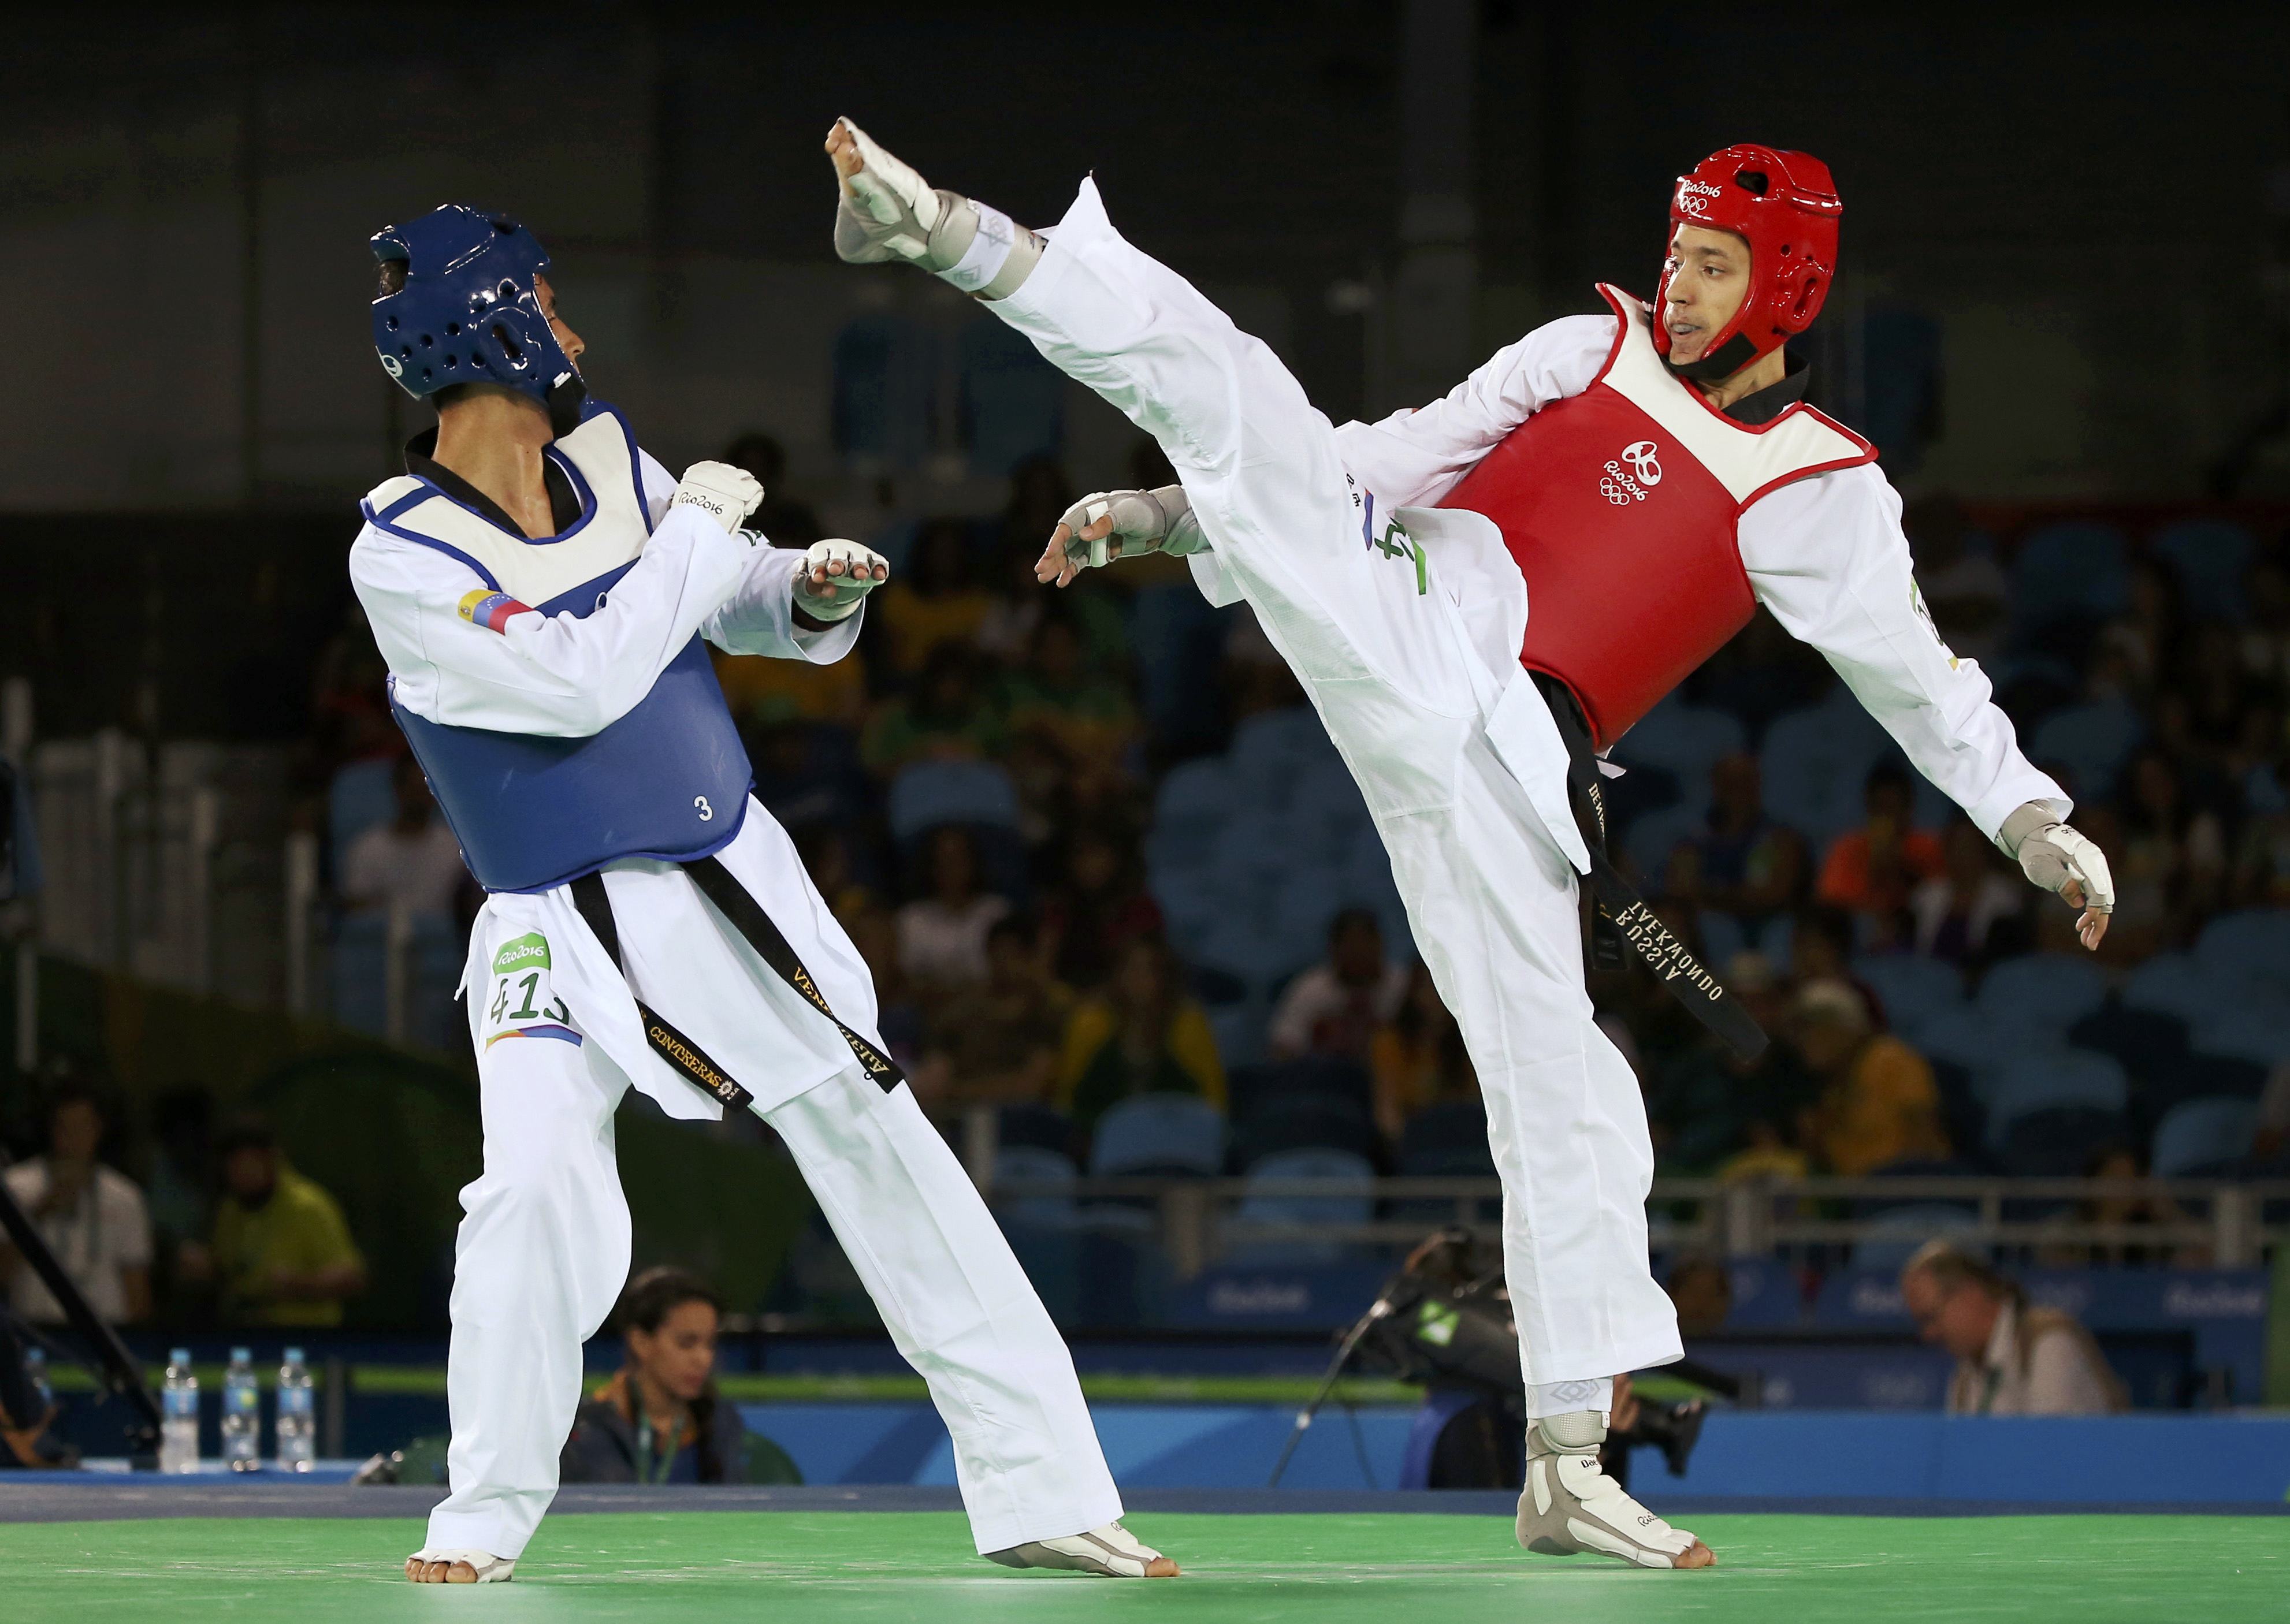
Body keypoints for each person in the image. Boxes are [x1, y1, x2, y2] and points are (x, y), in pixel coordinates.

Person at [826, 122, 2116, 1569]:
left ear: (1788, 285)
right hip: (1412, 620)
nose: (1677, 287)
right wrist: (1169, 516)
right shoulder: (1585, 348)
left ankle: (1567, 1459)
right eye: (1675, 255)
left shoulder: (1818, 484)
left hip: (1510, 779)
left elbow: (1915, 672)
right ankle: (940, 229)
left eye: (1711, 263)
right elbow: (1369, 463)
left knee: (1569, 1095)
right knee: (1240, 387)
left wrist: (2031, 813)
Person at [355, 206, 1169, 1583]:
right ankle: (484, 1508)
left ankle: (1039, 1485)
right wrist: (699, 532)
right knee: (529, 1192)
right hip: (547, 922)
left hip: (707, 878)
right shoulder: (404, 552)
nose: (575, 332)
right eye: (549, 307)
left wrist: (801, 587)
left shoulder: (612, 459)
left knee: (871, 1129)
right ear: (486, 324)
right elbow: (577, 674)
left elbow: (721, 594)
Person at [560, 1267, 798, 1486]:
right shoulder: (584, 1432)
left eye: (710, 1345)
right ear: (641, 1342)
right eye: (687, 1343)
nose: (703, 1359)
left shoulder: (722, 1425)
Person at [1899, 1241, 2125, 1415]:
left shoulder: (2048, 1341)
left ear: (1970, 1294)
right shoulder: (1964, 1378)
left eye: (1930, 1317)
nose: (1929, 1334)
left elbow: (2056, 1454)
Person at [187, 1112, 366, 1328]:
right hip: (245, 1334)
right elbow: (230, 1270)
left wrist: (301, 1285)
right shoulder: (231, 1208)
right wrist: (207, 1268)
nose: (241, 1177)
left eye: (248, 1166)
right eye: (233, 1169)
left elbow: (352, 1277)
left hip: (305, 1336)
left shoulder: (308, 1205)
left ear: (272, 1159)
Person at [0, 1081, 151, 1325]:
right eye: (64, 1128)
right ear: (50, 1130)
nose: (73, 1139)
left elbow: (136, 1286)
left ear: (99, 1130)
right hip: (37, 1331)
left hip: (108, 1331)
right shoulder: (15, 1187)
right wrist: (38, 1213)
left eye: (83, 1127)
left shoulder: (125, 1196)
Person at [1057, 936, 1226, 1135]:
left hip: (1175, 1137)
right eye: (1131, 969)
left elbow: (1211, 1100)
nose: (1138, 980)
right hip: (1102, 1142)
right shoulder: (1091, 1023)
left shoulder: (1188, 1024)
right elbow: (1068, 1101)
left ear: (1164, 977)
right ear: (1117, 973)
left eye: (1148, 971)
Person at [1790, 979, 1950, 1175]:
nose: (1807, 1040)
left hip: (1903, 1189)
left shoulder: (1891, 1060)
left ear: (1848, 1029)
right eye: (1803, 1031)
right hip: (1854, 1197)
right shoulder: (1827, 1088)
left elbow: (1927, 1140)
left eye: (1819, 1029)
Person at [925, 915, 1072, 1108]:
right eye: (998, 955)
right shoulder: (960, 1013)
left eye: (1014, 956)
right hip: (959, 1117)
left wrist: (957, 1092)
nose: (1006, 965)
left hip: (1024, 1118)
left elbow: (1033, 1085)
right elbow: (936, 1073)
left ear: (1032, 958)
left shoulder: (1048, 1013)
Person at [1814, 762, 1944, 934]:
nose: (1887, 818)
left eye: (1894, 808)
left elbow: (1943, 904)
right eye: (1881, 808)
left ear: (1909, 808)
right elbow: (1832, 911)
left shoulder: (1929, 848)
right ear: (1869, 807)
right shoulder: (1846, 849)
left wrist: (1898, 867)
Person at [1266, 908, 1409, 1064]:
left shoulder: (1403, 985)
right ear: (1334, 949)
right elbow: (1282, 1047)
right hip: (1325, 1080)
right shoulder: (1311, 989)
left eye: (1366, 944)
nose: (1359, 954)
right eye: (1351, 946)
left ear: (1380, 944)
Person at [339, 754, 469, 922]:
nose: (419, 798)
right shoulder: (368, 848)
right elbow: (355, 907)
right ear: (398, 789)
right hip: (382, 940)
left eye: (425, 790)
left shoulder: (456, 849)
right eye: (413, 790)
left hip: (441, 942)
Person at [895, 825, 1010, 994]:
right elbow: (906, 981)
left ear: (974, 862)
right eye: (943, 861)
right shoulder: (912, 919)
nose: (951, 869)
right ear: (931, 867)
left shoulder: (997, 912)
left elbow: (1008, 973)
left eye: (959, 860)